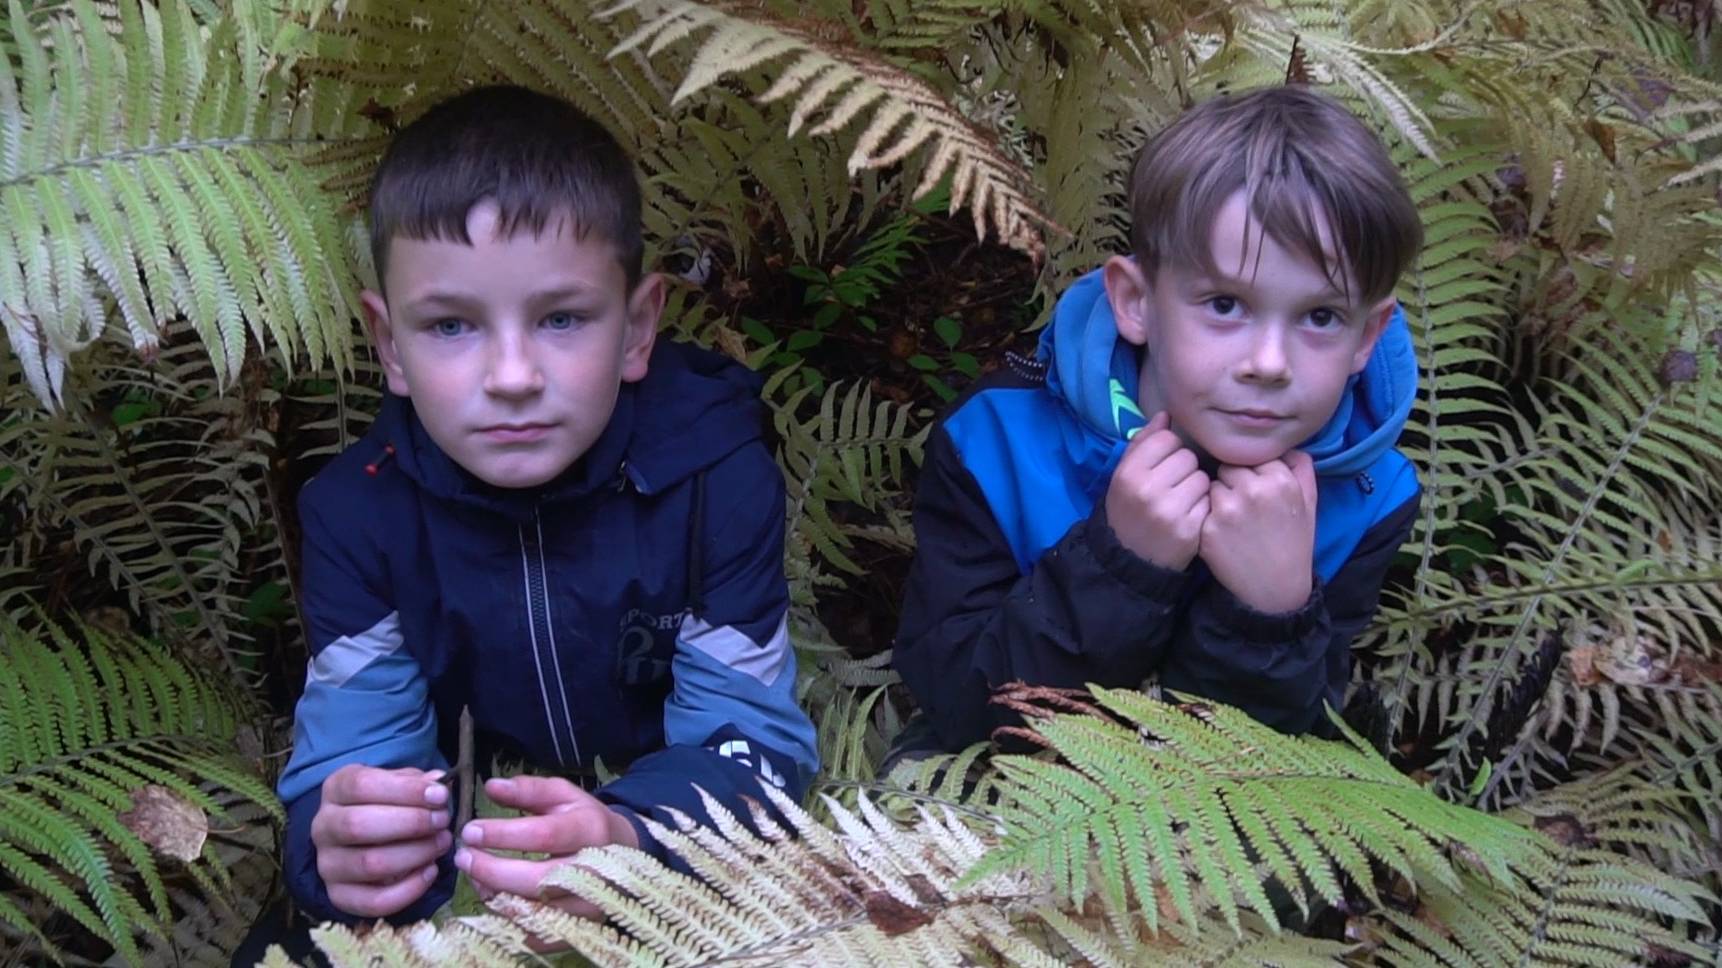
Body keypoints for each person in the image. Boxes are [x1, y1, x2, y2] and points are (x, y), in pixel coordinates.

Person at [274, 84, 820, 927]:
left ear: (637, 328)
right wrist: (343, 844)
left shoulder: (716, 481)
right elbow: (359, 754)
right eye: (451, 326)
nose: (512, 377)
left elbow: (753, 745)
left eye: (562, 319)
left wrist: (635, 837)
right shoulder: (357, 515)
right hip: (483, 859)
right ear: (390, 345)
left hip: (660, 828)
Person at [891, 85, 1424, 753]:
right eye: (1225, 305)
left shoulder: (1372, 498)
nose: (1269, 363)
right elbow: (959, 711)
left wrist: (1270, 615)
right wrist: (1119, 567)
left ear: (1368, 336)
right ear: (1136, 301)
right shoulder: (997, 446)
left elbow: (1280, 768)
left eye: (1321, 316)